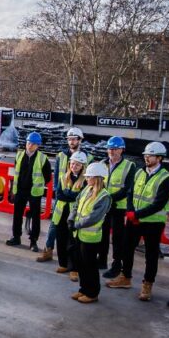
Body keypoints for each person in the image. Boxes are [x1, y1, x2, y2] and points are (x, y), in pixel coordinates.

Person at [107, 142, 169, 302]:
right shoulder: (139, 173)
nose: (146, 158)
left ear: (159, 158)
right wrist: (130, 211)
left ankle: (147, 284)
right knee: (126, 249)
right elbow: (130, 193)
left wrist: (136, 215)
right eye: (145, 155)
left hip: (153, 222)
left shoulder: (166, 178)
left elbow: (158, 203)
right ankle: (126, 277)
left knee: (151, 255)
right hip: (134, 219)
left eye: (150, 156)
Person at [38, 127, 84, 263]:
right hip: (62, 197)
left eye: (74, 139)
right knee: (54, 224)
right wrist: (60, 194)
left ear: (80, 140)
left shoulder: (87, 156)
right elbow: (57, 177)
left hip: (77, 199)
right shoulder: (61, 156)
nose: (71, 142)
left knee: (72, 229)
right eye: (69, 139)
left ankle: (72, 258)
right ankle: (48, 250)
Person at [68, 162, 112, 304]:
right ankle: (83, 289)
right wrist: (71, 218)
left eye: (89, 177)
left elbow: (94, 217)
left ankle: (92, 293)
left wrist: (76, 224)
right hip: (80, 234)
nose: (86, 179)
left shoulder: (104, 196)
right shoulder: (88, 188)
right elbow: (76, 203)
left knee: (90, 266)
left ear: (97, 178)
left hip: (90, 237)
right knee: (81, 264)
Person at [7, 132, 51, 252]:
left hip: (34, 192)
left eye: (33, 144)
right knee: (17, 215)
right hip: (20, 190)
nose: (30, 145)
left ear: (38, 146)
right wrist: (13, 190)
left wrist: (37, 185)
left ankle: (33, 241)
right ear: (26, 143)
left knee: (35, 217)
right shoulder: (19, 155)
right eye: (29, 143)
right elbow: (16, 173)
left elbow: (48, 177)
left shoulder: (42, 159)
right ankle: (16, 237)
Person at [101, 136, 136, 279]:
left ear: (122, 150)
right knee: (102, 234)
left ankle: (116, 266)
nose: (112, 151)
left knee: (117, 238)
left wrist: (110, 198)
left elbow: (128, 188)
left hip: (118, 207)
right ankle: (101, 260)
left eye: (115, 149)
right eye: (110, 149)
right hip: (104, 205)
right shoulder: (102, 164)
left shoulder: (129, 166)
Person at [50, 152, 87, 280]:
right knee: (60, 239)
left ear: (82, 166)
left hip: (74, 216)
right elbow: (59, 194)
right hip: (61, 214)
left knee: (73, 243)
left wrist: (68, 194)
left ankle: (74, 269)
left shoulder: (85, 180)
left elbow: (81, 197)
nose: (74, 166)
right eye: (72, 163)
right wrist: (70, 195)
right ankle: (63, 264)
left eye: (77, 164)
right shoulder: (63, 177)